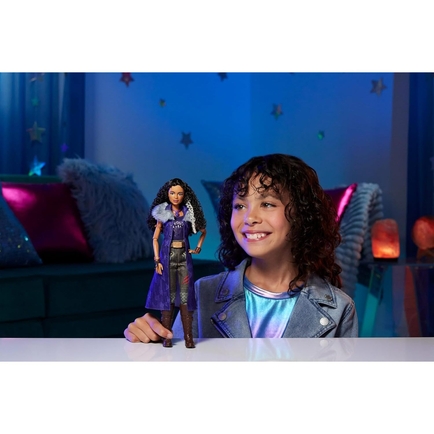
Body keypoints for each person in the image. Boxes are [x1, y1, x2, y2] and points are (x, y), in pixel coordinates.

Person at [124, 154, 358, 343]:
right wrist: (150, 342)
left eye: (267, 204)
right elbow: (175, 369)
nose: (250, 217)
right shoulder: (202, 293)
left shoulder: (340, 308)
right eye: (240, 206)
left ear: (301, 216)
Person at [144, 178, 207, 348]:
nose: (176, 196)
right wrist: (157, 260)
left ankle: (188, 338)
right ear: (167, 194)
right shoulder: (162, 214)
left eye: (179, 193)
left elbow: (203, 231)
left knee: (185, 297)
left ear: (184, 195)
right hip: (167, 258)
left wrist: (198, 248)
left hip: (184, 259)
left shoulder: (188, 213)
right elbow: (155, 238)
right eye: (172, 193)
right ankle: (167, 337)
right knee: (169, 296)